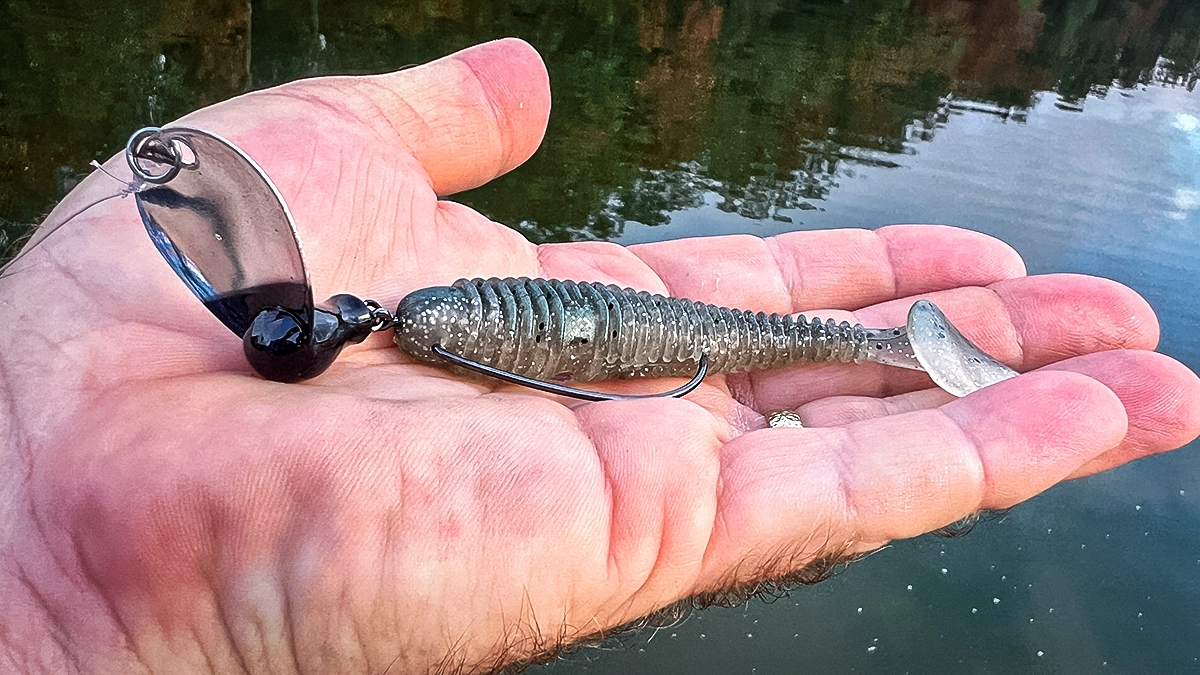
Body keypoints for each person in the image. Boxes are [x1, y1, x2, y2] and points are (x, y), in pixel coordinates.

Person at [0, 38, 1196, 674]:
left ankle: (907, 350)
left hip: (637, 330)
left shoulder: (422, 315)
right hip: (596, 329)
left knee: (787, 334)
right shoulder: (427, 319)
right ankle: (906, 351)